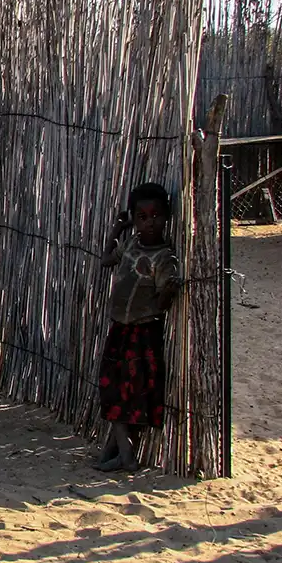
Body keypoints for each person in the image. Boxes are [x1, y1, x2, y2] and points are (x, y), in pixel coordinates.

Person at [96, 183, 180, 472]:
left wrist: (168, 290)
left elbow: (161, 302)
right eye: (142, 217)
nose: (150, 222)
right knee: (113, 390)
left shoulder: (164, 258)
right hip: (119, 330)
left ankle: (127, 458)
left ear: (167, 217)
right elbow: (106, 260)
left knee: (131, 394)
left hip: (143, 335)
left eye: (156, 215)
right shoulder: (131, 244)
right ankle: (116, 453)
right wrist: (118, 230)